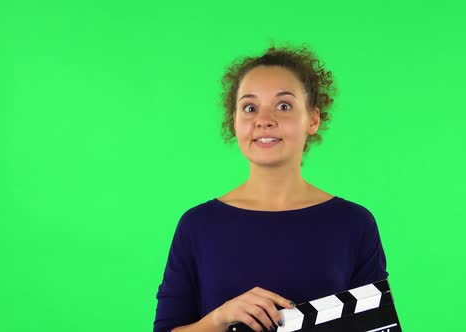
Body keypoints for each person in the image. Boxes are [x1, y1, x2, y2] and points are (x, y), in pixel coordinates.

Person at [153, 43, 389, 332]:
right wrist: (220, 318)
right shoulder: (197, 225)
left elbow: (377, 327)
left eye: (284, 105)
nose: (264, 120)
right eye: (250, 108)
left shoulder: (354, 224)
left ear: (313, 119)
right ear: (235, 122)